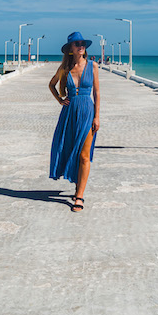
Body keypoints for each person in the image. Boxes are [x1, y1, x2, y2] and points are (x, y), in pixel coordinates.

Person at [48, 32, 101, 212]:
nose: (81, 46)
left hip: (87, 111)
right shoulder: (65, 68)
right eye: (77, 44)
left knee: (85, 155)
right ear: (70, 49)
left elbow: (97, 93)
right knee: (71, 150)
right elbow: (51, 84)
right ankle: (77, 187)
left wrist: (97, 116)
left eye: (82, 43)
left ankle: (79, 196)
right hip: (69, 113)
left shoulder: (92, 66)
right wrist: (60, 99)